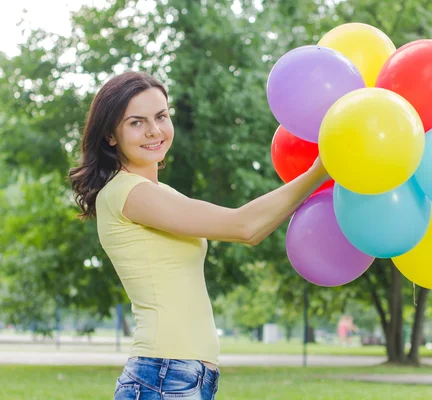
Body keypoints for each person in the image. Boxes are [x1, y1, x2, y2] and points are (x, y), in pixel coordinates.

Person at [68, 71, 329, 399]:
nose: (154, 131)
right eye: (136, 122)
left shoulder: (161, 193)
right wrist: (318, 171)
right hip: (165, 373)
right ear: (110, 135)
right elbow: (244, 227)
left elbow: (251, 226)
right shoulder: (129, 194)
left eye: (161, 116)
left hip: (182, 373)